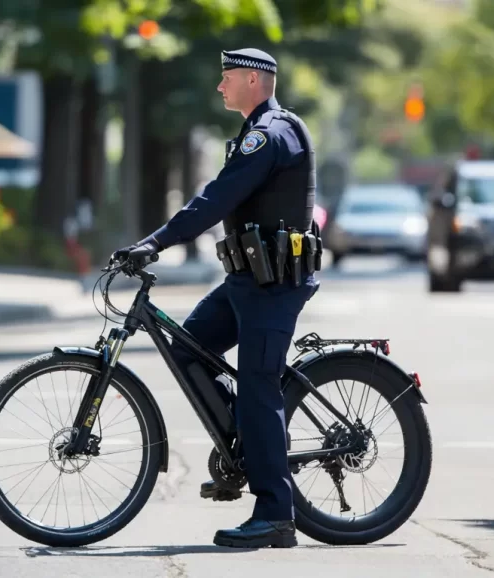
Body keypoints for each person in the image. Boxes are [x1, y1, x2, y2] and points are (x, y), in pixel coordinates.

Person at [112, 48, 321, 548]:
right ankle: (243, 443)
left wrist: (155, 242)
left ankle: (275, 515)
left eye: (226, 77)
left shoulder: (271, 134)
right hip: (248, 282)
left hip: (275, 287)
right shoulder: (259, 131)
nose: (219, 87)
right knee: (188, 347)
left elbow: (215, 200)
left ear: (252, 79)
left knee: (257, 384)